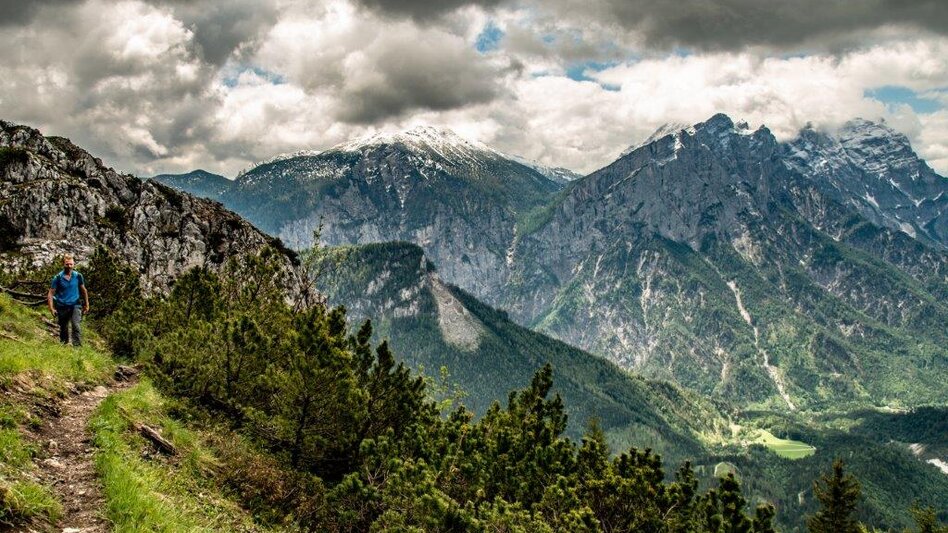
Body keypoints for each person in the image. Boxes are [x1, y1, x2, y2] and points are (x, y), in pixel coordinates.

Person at [47, 253, 90, 346]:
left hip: (75, 305)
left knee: (76, 325)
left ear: (74, 264)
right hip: (62, 306)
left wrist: (87, 304)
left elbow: (84, 290)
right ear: (63, 264)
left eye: (71, 264)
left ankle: (77, 348)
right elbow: (50, 293)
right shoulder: (57, 278)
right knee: (63, 327)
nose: (69, 266)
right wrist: (51, 308)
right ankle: (64, 345)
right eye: (67, 264)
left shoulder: (78, 276)